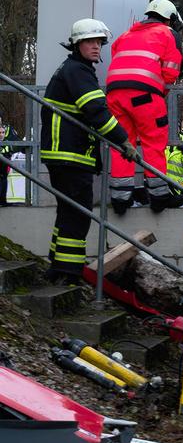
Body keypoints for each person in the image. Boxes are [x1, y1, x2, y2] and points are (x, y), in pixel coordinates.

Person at [39, 19, 137, 284]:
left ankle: (57, 267)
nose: (96, 47)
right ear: (76, 44)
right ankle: (69, 274)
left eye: (99, 42)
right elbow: (96, 112)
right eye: (90, 42)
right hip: (70, 155)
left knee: (67, 211)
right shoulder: (78, 72)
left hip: (63, 154)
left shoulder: (73, 69)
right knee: (78, 215)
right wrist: (123, 140)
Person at [106, 0, 183, 214]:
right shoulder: (168, 34)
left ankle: (120, 200)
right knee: (153, 142)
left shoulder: (125, 35)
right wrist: (161, 92)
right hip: (145, 96)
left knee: (123, 144)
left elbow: (119, 58)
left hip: (114, 93)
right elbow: (170, 71)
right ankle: (159, 197)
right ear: (170, 18)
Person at [0, 110, 20, 207]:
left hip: (5, 160)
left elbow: (19, 144)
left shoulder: (7, 129)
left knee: (3, 179)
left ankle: (2, 201)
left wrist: (10, 149)